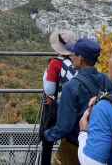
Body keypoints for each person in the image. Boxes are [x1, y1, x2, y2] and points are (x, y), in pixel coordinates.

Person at [45, 38, 112, 165]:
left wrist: (47, 135)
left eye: (74, 54)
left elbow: (64, 127)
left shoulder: (71, 88)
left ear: (81, 58)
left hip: (74, 146)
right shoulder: (107, 81)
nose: (71, 57)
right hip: (101, 143)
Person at [40, 30, 77, 165]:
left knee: (47, 139)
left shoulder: (55, 63)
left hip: (56, 106)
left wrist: (46, 73)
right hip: (72, 107)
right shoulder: (76, 61)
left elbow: (49, 89)